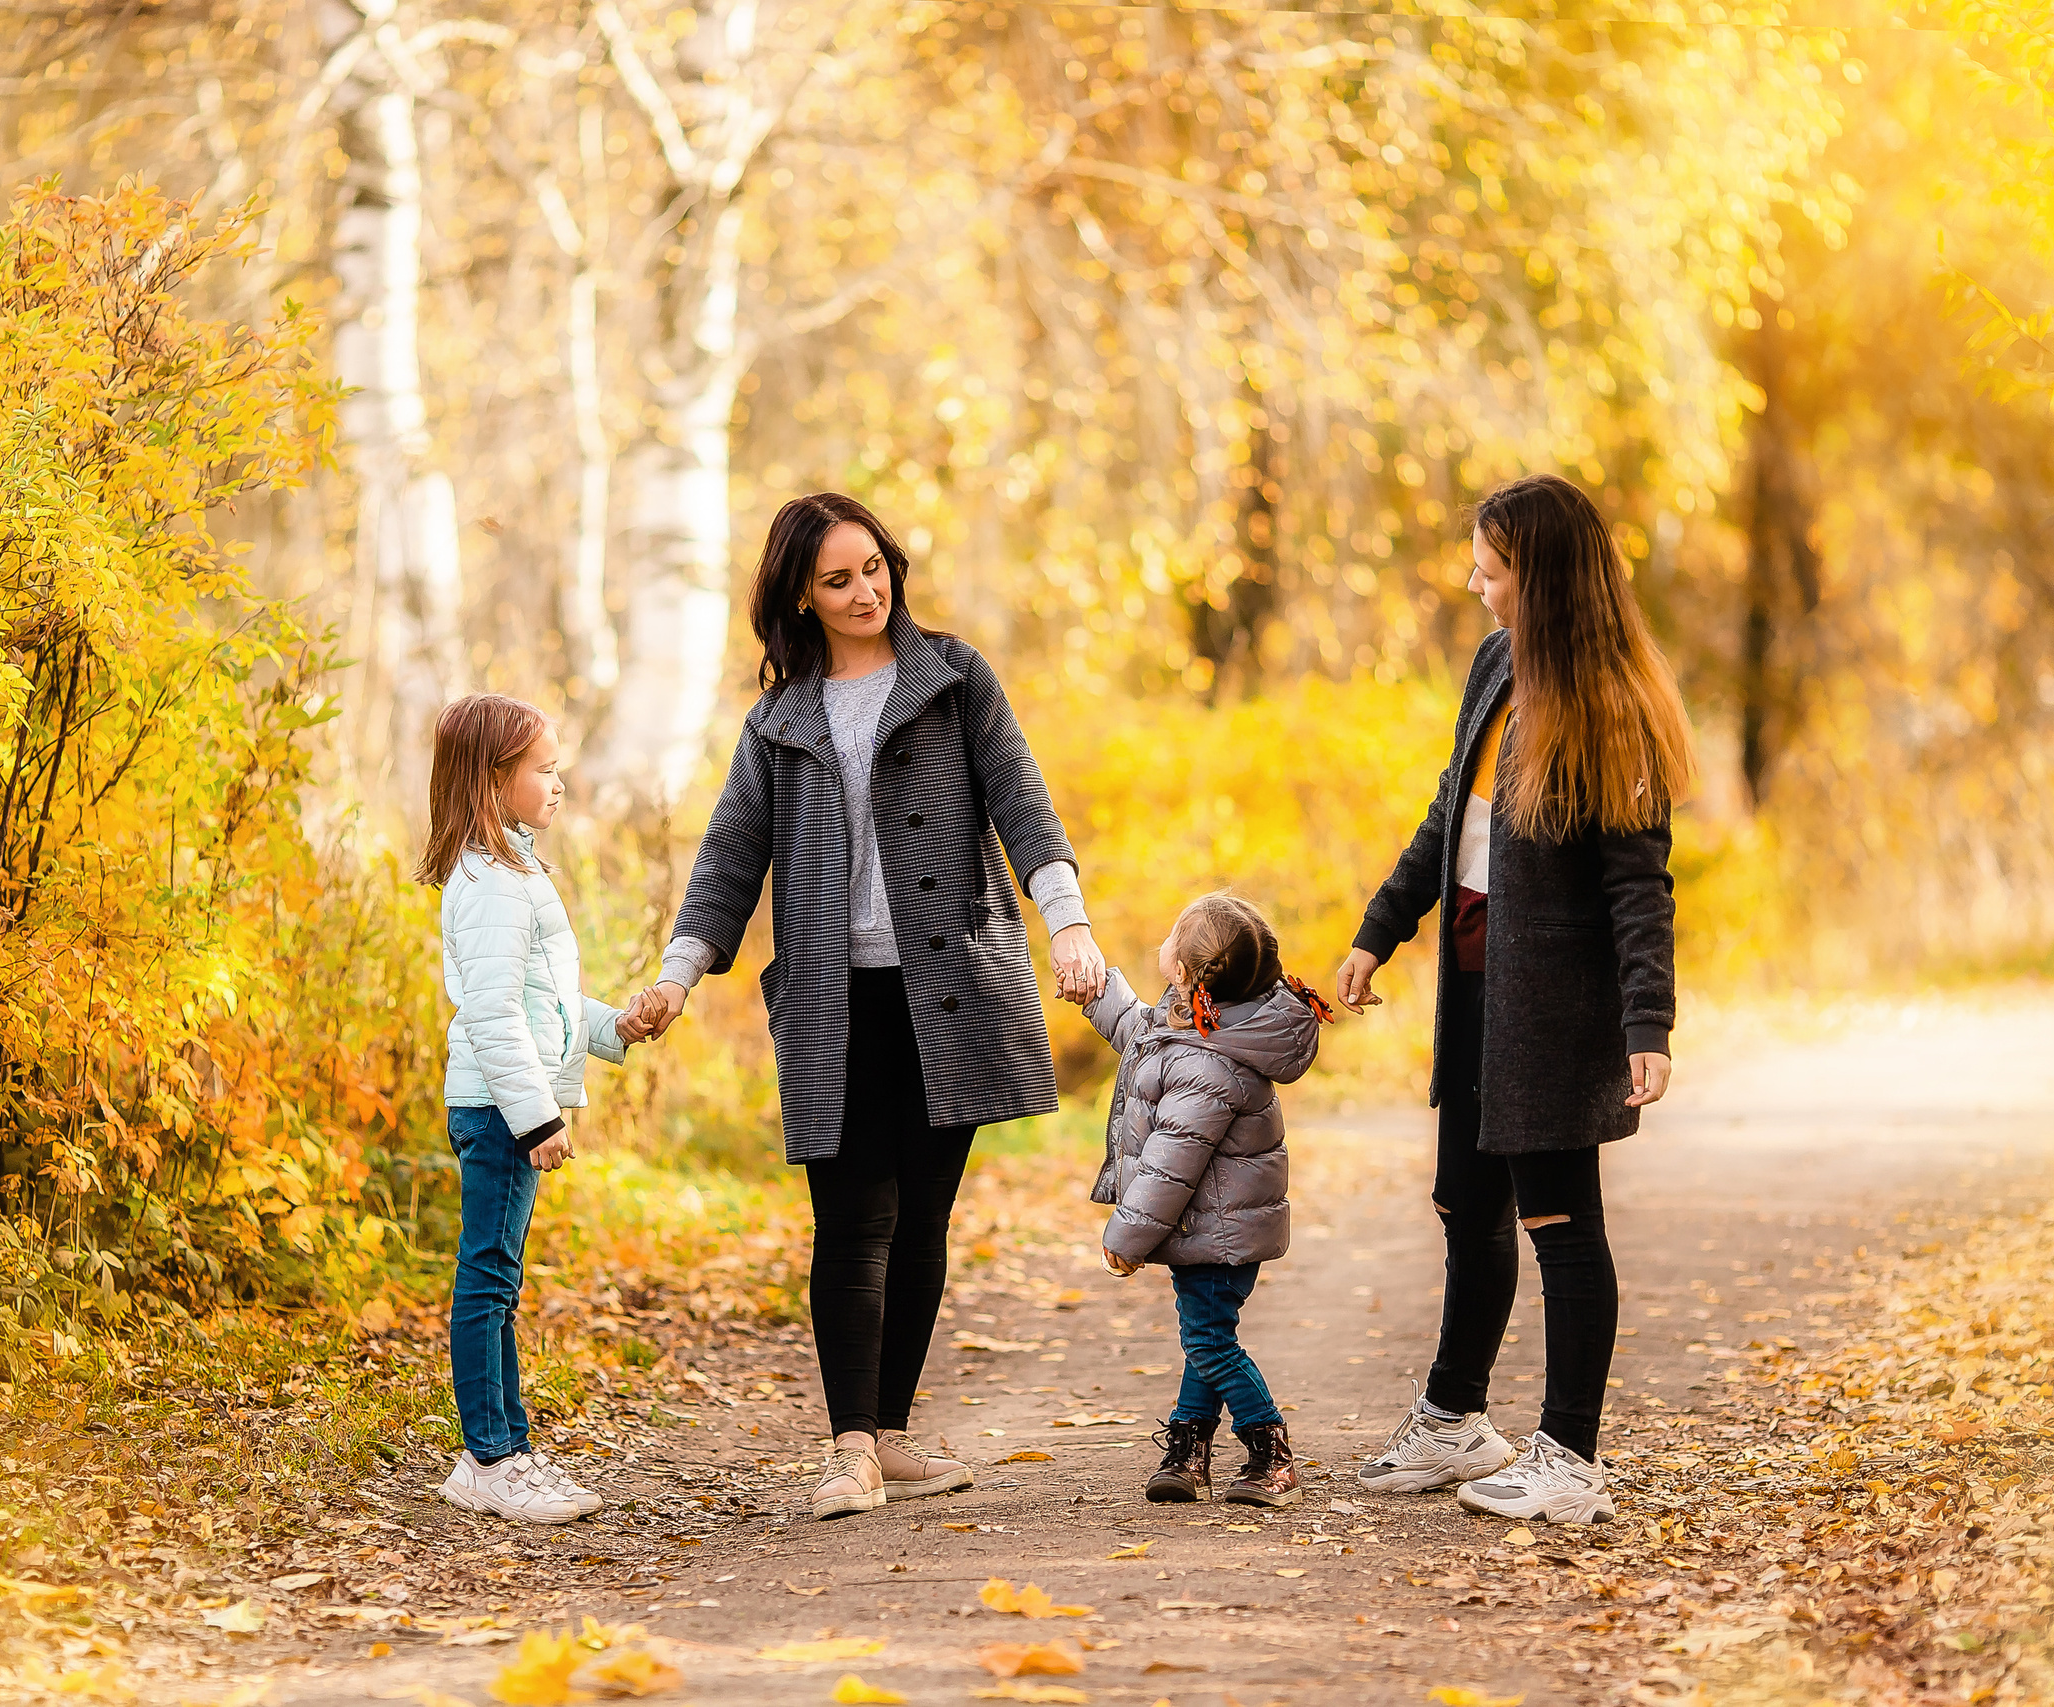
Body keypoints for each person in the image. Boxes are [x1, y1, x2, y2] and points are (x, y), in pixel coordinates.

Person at [641, 492, 1107, 1520]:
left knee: (924, 1219)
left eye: (873, 568)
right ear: (800, 599)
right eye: (836, 580)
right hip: (830, 998)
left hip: (955, 991)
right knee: (852, 1220)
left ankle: (887, 1435)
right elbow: (729, 854)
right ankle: (847, 1449)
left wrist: (1067, 919)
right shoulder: (779, 719)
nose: (864, 592)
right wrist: (678, 974)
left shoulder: (954, 677)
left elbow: (1021, 799)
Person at [1336, 473, 1690, 1526]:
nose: (1473, 583)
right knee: (1465, 1204)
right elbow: (1450, 818)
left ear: (1541, 578)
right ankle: (1454, 1421)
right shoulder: (1496, 667)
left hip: (1554, 1011)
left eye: (1490, 569)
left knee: (1560, 1221)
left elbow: (1639, 887)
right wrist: (1377, 928)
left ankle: (1570, 1458)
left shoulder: (1610, 710)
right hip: (1476, 992)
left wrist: (1647, 1025)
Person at [417, 693, 664, 1526]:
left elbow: (539, 999)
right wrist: (537, 1120)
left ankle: (505, 1449)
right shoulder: (490, 882)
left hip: (504, 1104)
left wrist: (612, 1027)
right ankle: (490, 1457)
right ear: (495, 779)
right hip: (498, 1110)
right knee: (487, 1280)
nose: (559, 782)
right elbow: (490, 1018)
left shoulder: (513, 869)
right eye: (544, 769)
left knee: (501, 1280)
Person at [1081, 893, 1328, 1509]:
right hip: (1217, 1226)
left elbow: (1173, 1162)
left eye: (1172, 937)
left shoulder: (1209, 1065)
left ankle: (1270, 1450)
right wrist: (1095, 993)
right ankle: (1188, 1451)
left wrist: (1125, 1238)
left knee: (1209, 1342)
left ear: (1188, 972)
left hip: (1218, 1232)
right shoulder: (1207, 1019)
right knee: (1208, 1338)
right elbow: (1141, 1032)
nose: (1162, 945)